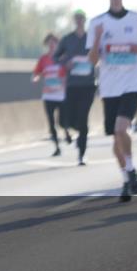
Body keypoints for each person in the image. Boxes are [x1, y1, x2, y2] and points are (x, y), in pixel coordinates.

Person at [87, 0, 137, 202]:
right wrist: (97, 39)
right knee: (116, 136)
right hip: (109, 86)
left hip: (133, 83)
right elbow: (92, 60)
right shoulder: (96, 23)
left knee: (121, 127)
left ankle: (132, 169)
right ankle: (127, 178)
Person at [54, 9, 97, 165]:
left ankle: (82, 154)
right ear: (74, 20)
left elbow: (100, 54)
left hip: (88, 84)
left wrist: (94, 61)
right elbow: (55, 56)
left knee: (83, 118)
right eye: (77, 18)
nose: (79, 20)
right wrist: (66, 63)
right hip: (72, 84)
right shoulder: (67, 39)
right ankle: (78, 133)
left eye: (81, 18)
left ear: (85, 20)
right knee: (70, 119)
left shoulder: (91, 39)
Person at [33, 33, 69, 156]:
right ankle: (57, 147)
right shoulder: (43, 59)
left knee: (62, 120)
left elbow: (66, 73)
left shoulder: (62, 58)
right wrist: (37, 77)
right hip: (48, 95)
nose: (52, 45)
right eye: (49, 43)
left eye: (54, 42)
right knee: (51, 122)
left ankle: (66, 132)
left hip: (60, 94)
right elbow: (37, 72)